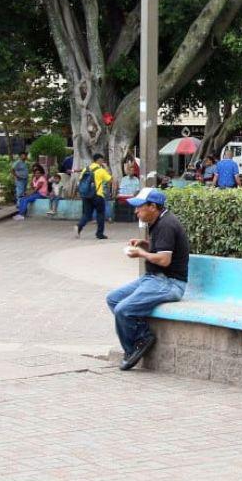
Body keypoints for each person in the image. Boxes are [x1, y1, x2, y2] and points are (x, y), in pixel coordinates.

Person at [108, 188, 190, 371]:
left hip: (169, 283)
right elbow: (162, 249)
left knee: (122, 309)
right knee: (113, 299)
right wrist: (144, 244)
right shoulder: (158, 221)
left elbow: (165, 259)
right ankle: (142, 334)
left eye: (139, 207)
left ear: (153, 207)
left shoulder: (167, 225)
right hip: (153, 278)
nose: (136, 211)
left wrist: (141, 253)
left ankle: (134, 347)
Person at [75, 153, 112, 240]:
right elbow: (110, 180)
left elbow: (80, 181)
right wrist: (106, 168)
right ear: (99, 160)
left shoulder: (85, 169)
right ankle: (99, 234)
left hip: (86, 195)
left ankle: (79, 226)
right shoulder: (100, 170)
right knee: (100, 214)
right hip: (97, 195)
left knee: (87, 214)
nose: (102, 162)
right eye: (102, 160)